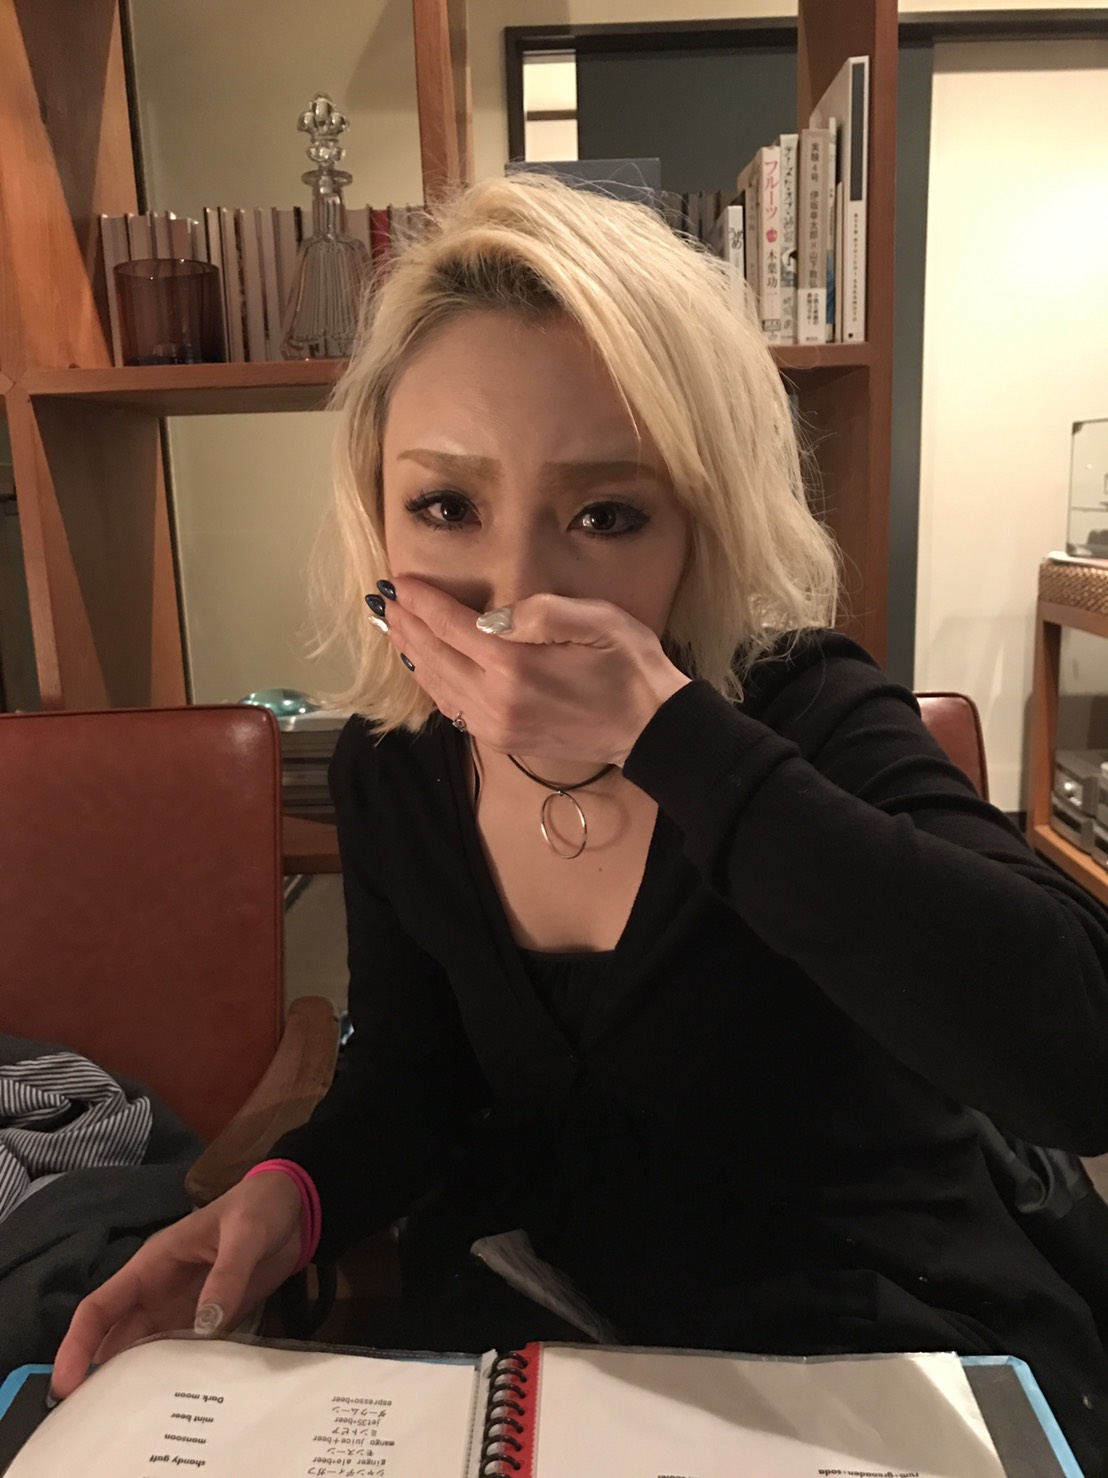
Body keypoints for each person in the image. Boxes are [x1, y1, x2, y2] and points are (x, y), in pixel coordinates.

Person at [53, 173, 1108, 1470]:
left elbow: (1078, 1057)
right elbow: (414, 1076)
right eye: (447, 506)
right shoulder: (400, 768)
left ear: (701, 522)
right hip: (545, 1330)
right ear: (375, 514)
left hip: (870, 1342)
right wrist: (295, 1193)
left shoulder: (804, 712)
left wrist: (674, 743)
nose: (517, 595)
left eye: (606, 515)